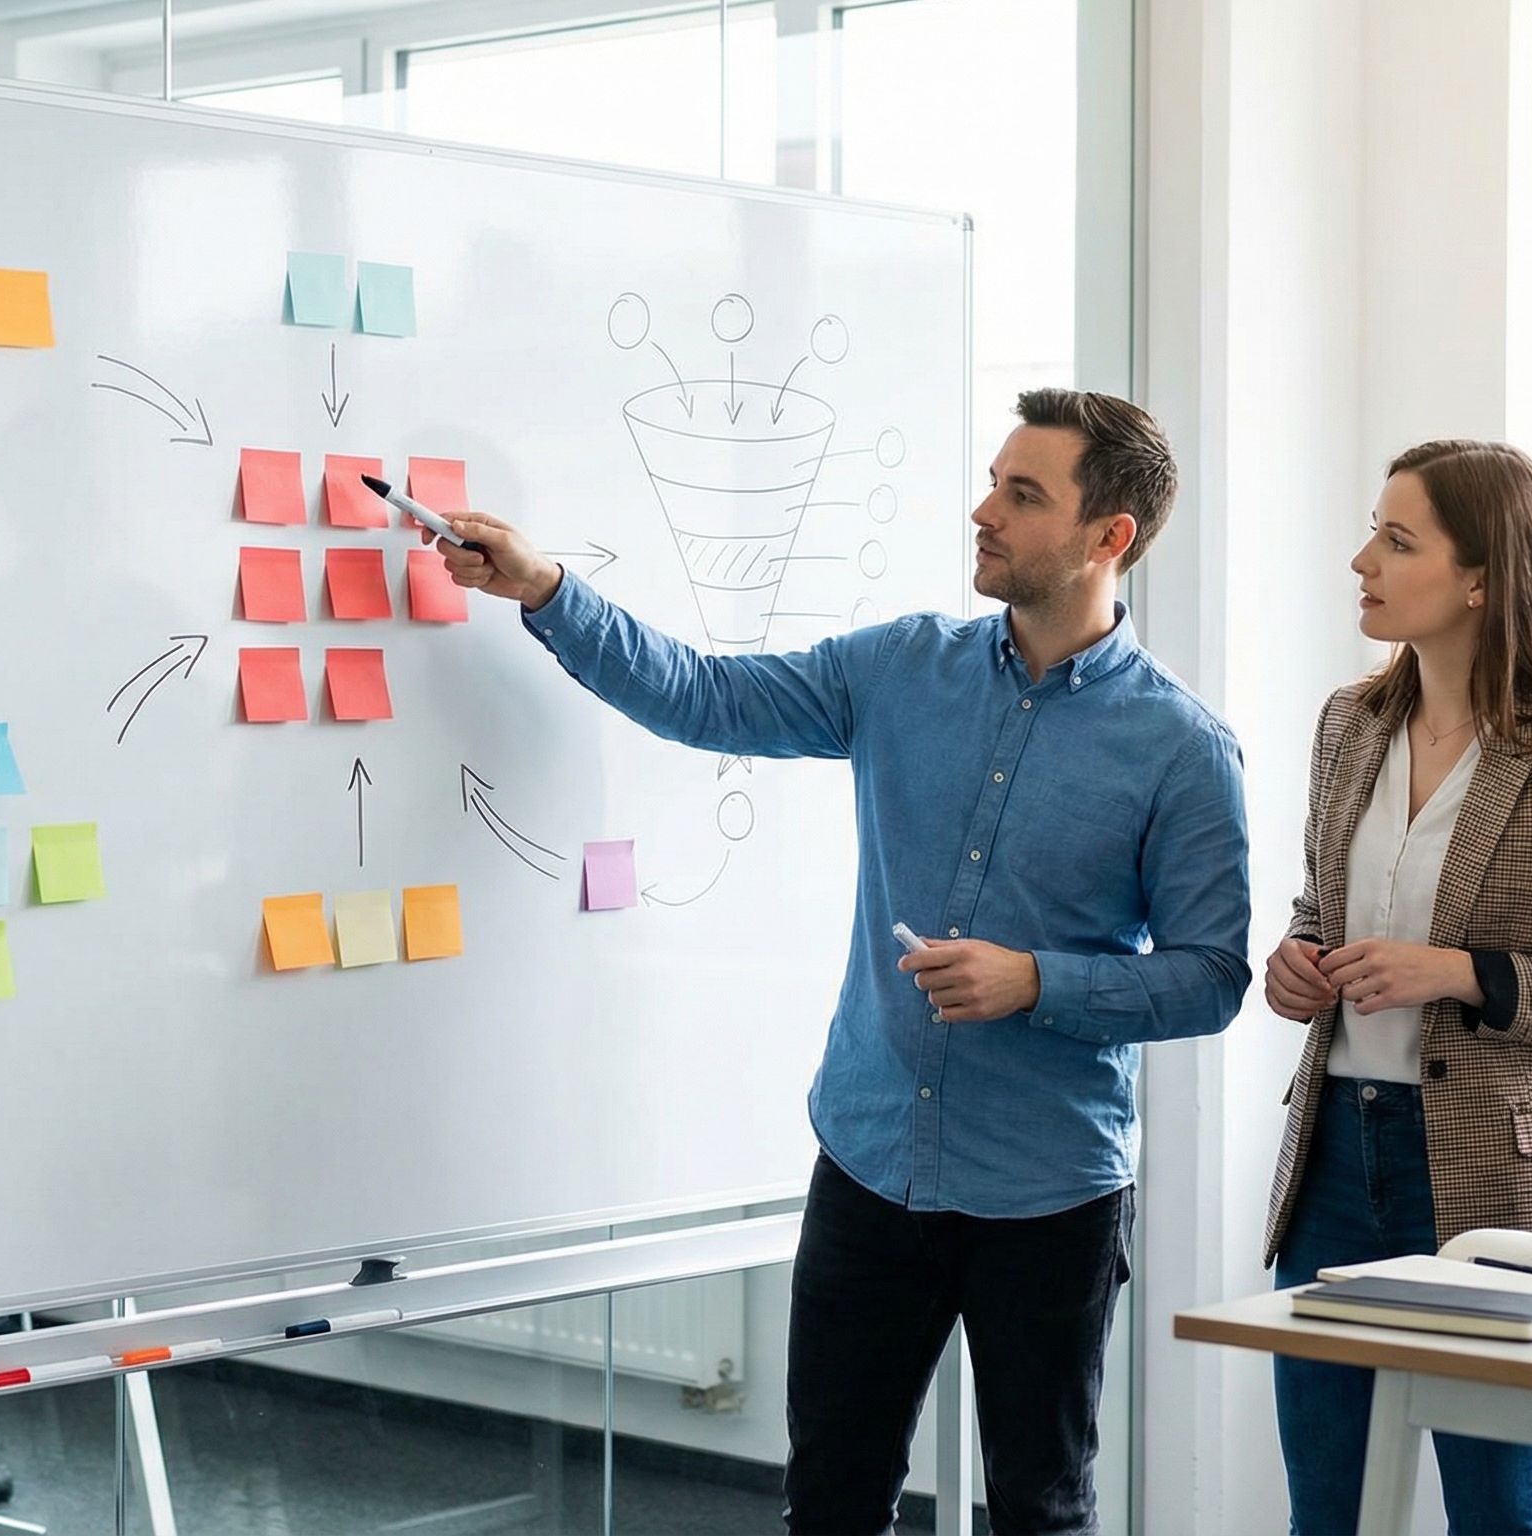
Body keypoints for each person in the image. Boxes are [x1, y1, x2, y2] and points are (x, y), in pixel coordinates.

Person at [432, 388, 1252, 1536]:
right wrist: (547, 591)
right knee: (828, 1499)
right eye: (992, 480)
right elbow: (706, 697)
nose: (984, 511)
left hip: (1047, 1195)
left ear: (1108, 536)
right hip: (868, 1166)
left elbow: (1214, 976)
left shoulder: (1182, 748)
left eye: (1023, 495)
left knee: (1041, 1507)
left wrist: (1037, 982)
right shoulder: (902, 668)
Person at [1262, 439, 1532, 1536]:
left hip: (1497, 1189)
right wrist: (1295, 965)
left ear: (1485, 576)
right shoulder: (1350, 724)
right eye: (1371, 533)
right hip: (1336, 1160)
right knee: (1327, 1510)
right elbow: (1319, 909)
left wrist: (1459, 975)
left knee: (1493, 1513)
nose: (1361, 561)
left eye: (1397, 542)